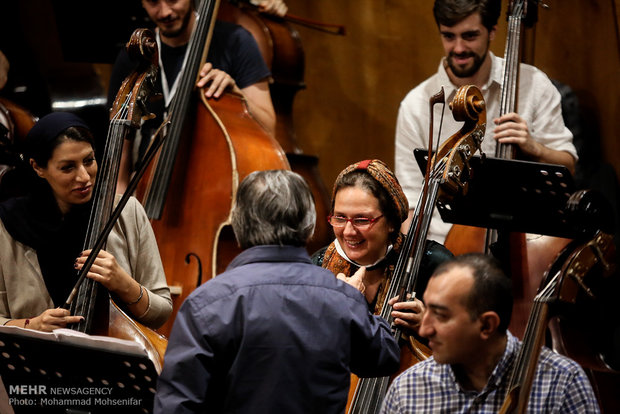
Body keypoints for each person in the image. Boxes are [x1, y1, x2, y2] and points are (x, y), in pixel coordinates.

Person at [154, 169, 400, 413]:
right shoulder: (341, 299)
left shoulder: (204, 303)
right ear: (308, 226)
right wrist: (352, 299)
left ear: (239, 225)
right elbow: (385, 356)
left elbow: (176, 406)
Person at [394, 0, 578, 244]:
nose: (458, 48)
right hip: (445, 245)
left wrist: (535, 148)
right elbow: (411, 202)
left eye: (470, 36)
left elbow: (569, 167)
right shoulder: (417, 105)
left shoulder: (533, 85)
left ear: (492, 31)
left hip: (527, 238)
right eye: (448, 36)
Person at [0, 112, 172, 331]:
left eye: (89, 161)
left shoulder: (126, 211)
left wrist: (123, 283)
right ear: (37, 167)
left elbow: (162, 312)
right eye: (67, 167)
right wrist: (31, 325)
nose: (84, 177)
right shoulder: (7, 224)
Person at [379, 253, 600, 413]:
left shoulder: (562, 383)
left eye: (441, 316)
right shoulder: (407, 390)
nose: (425, 329)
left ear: (487, 326)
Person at [108, 0, 286, 192]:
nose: (165, 12)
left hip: (214, 191)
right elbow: (120, 153)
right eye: (153, 2)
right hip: (146, 190)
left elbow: (268, 127)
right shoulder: (132, 57)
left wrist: (237, 96)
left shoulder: (236, 41)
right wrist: (122, 205)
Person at [312, 159, 453, 331]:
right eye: (340, 218)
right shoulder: (316, 269)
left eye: (362, 220)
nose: (348, 231)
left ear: (391, 222)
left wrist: (429, 324)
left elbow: (473, 343)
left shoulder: (436, 265)